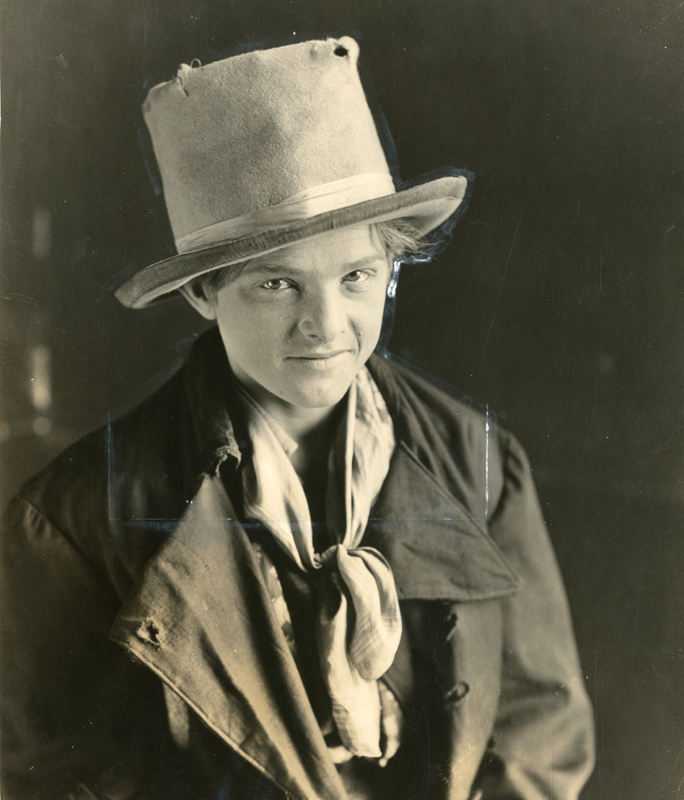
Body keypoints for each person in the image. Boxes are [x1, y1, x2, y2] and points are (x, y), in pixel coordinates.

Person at [0, 36, 595, 800]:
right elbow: (53, 776)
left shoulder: (479, 461)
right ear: (202, 293)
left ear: (391, 271)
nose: (326, 325)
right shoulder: (75, 523)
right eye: (277, 284)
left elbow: (539, 732)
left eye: (356, 276)